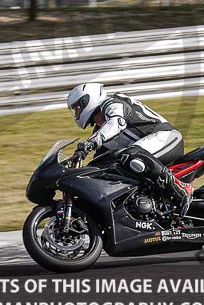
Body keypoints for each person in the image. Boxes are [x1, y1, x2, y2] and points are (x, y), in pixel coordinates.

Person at [67, 82, 194, 218]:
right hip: (147, 152)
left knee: (130, 155)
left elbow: (116, 123)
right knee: (110, 169)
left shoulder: (113, 104)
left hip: (167, 138)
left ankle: (180, 189)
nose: (76, 113)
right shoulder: (102, 131)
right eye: (74, 110)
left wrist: (90, 143)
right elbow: (99, 164)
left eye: (78, 107)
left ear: (88, 100)